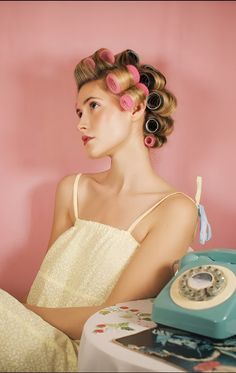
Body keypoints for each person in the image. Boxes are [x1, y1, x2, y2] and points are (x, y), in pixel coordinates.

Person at [0, 48, 211, 372]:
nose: (81, 123)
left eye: (93, 106)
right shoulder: (72, 189)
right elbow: (46, 288)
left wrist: (17, 311)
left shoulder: (174, 210)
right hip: (35, 338)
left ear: (137, 108)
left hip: (83, 355)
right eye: (78, 112)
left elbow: (111, 317)